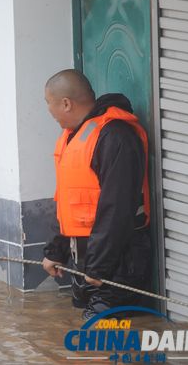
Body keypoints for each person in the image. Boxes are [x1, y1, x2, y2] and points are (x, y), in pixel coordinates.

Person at [40, 69, 151, 320]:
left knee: (101, 332)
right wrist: (56, 251)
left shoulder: (115, 136)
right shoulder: (72, 137)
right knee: (89, 339)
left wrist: (99, 266)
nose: (49, 112)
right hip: (88, 262)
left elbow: (116, 208)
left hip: (119, 262)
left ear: (66, 103)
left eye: (49, 104)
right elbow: (69, 203)